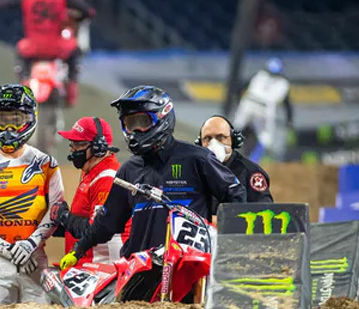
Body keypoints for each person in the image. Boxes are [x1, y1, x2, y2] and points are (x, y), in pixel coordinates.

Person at [60, 85, 247, 269]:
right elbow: (106, 223)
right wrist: (79, 248)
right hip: (139, 272)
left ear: (162, 118)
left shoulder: (198, 159)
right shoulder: (128, 171)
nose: (135, 131)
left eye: (142, 122)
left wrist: (226, 243)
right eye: (130, 124)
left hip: (188, 268)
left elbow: (235, 195)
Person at [0, 83, 64, 305]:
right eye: (3, 120)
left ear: (29, 119)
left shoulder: (47, 164)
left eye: (16, 120)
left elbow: (56, 211)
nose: (10, 128)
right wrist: (13, 251)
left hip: (35, 258)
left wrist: (29, 245)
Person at [0, 0, 95, 107]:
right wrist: (76, 18)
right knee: (74, 52)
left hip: (32, 46)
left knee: (21, 56)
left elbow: (2, 3)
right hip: (57, 47)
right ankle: (71, 91)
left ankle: (24, 84)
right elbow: (88, 12)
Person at [50, 116, 123, 265]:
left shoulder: (107, 179)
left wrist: (64, 217)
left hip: (104, 267)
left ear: (98, 147)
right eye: (72, 143)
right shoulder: (90, 170)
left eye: (78, 144)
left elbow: (97, 230)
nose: (72, 149)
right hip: (87, 264)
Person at [196, 115, 273, 206]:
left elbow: (265, 213)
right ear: (200, 144)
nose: (213, 144)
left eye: (221, 137)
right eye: (207, 139)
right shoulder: (193, 171)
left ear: (234, 140)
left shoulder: (251, 173)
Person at [233, 57, 294, 161]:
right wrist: (289, 119)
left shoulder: (259, 75)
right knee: (266, 138)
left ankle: (222, 156)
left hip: (248, 102)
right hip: (265, 108)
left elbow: (239, 88)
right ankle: (253, 161)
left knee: (235, 129)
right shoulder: (284, 83)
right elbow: (287, 104)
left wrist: (238, 102)